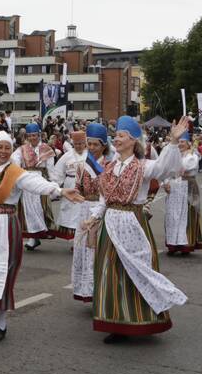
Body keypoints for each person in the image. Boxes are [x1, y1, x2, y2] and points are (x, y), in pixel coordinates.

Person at [0, 131, 83, 342]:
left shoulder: (15, 173)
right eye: (0, 147)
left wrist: (59, 191)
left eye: (7, 147)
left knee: (0, 273)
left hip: (4, 225)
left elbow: (35, 183)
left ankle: (1, 324)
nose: (4, 151)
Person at [84, 116, 190, 342]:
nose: (116, 139)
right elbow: (104, 198)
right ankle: (116, 323)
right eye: (116, 136)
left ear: (133, 141)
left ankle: (141, 319)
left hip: (132, 222)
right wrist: (93, 218)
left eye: (121, 136)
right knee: (110, 272)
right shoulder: (110, 167)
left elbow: (164, 169)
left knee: (136, 270)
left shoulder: (143, 166)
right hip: (111, 223)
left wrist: (173, 142)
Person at [69, 124, 111, 302]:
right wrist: (75, 196)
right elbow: (78, 187)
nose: (92, 147)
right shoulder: (82, 166)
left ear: (104, 145)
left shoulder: (109, 165)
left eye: (96, 144)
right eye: (90, 144)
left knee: (97, 249)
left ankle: (99, 291)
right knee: (83, 248)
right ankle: (85, 290)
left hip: (102, 210)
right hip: (85, 208)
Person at [12, 123, 59, 250]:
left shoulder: (47, 149)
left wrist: (54, 186)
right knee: (27, 209)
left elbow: (51, 169)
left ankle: (42, 232)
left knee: (41, 208)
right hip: (26, 179)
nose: (33, 138)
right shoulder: (21, 149)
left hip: (40, 179)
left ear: (39, 135)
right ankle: (33, 237)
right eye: (30, 136)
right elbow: (15, 163)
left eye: (35, 135)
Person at [163, 134, 202, 255]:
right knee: (172, 215)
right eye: (179, 141)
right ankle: (172, 244)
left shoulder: (193, 155)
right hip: (174, 187)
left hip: (188, 186)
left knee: (187, 214)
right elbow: (164, 170)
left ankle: (185, 244)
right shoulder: (173, 155)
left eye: (183, 142)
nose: (180, 144)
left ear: (188, 144)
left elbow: (187, 166)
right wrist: (165, 183)